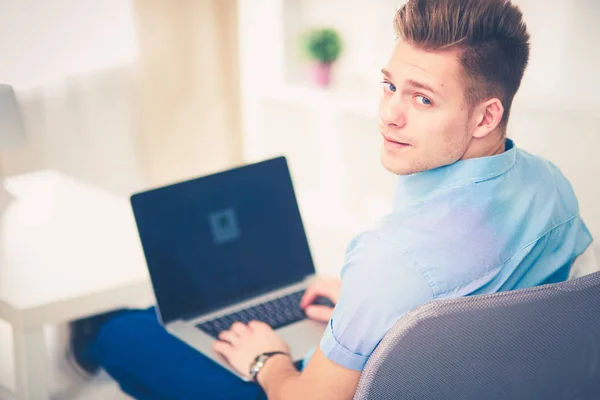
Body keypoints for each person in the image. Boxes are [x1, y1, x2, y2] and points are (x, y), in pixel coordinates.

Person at [70, 0, 593, 398]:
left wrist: (268, 362)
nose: (390, 115)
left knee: (125, 332)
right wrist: (381, 314)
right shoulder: (552, 187)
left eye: (423, 98)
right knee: (166, 319)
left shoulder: (389, 260)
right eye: (390, 86)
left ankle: (98, 330)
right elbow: (486, 304)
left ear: (485, 116)